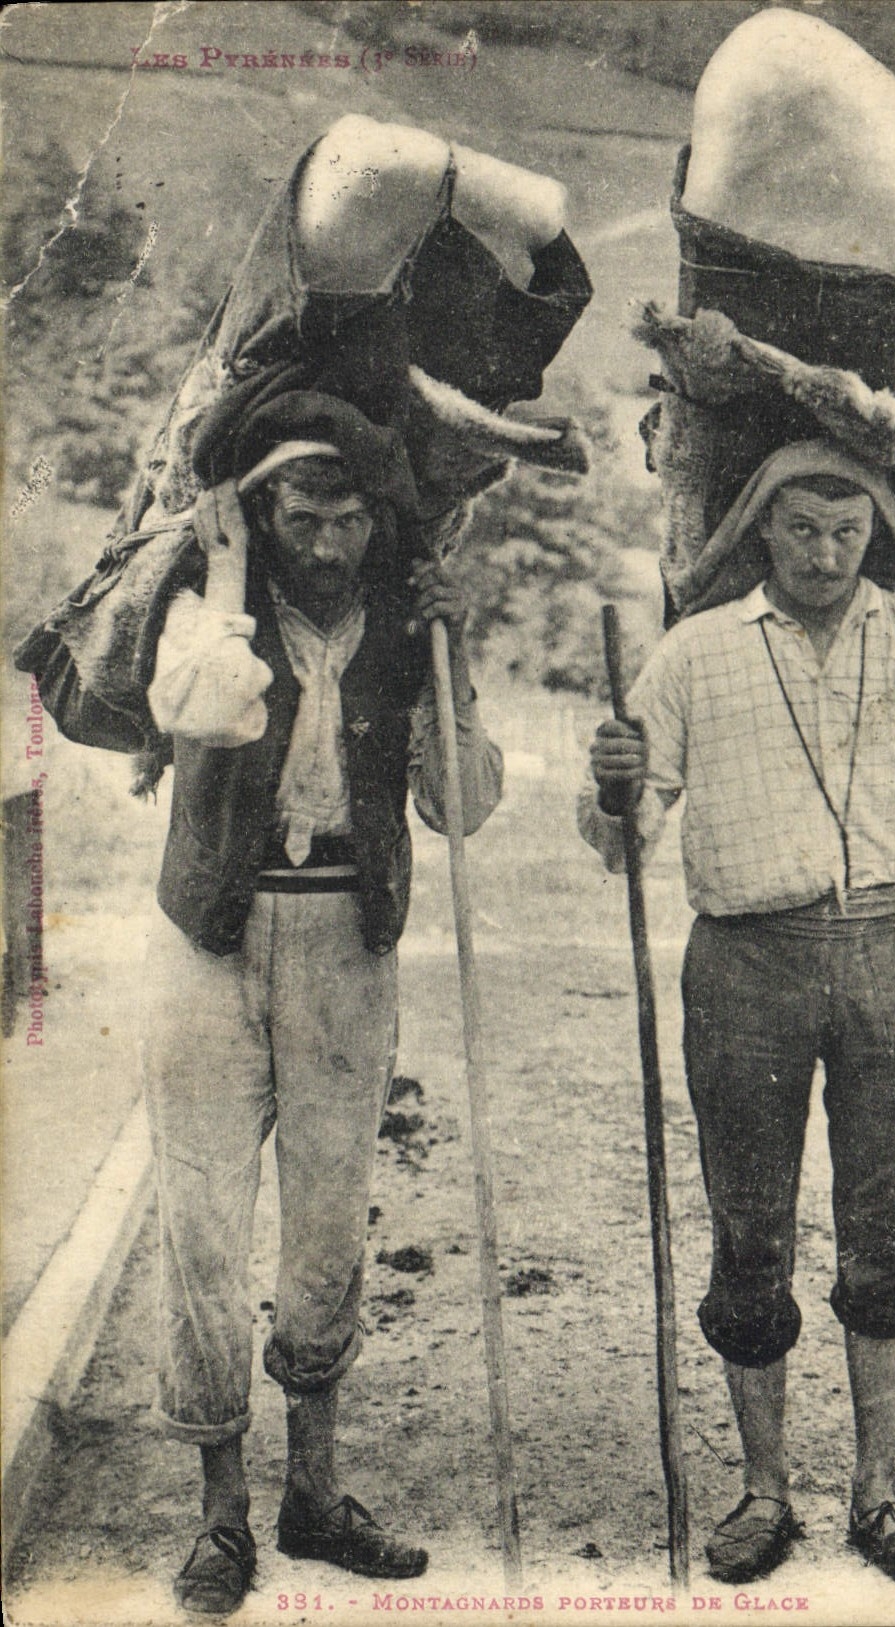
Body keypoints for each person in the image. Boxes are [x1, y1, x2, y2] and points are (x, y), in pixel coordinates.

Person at [579, 441, 895, 1592]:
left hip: (891, 953)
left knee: (883, 1234)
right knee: (748, 1227)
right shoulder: (691, 654)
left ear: (875, 534)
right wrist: (610, 783)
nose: (824, 554)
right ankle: (763, 1491)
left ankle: (876, 1495)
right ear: (759, 530)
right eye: (801, 529)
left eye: (847, 532)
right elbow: (627, 839)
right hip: (743, 964)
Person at [133, 390, 502, 1613]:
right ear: (261, 510)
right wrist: (232, 578)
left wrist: (462, 656)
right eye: (302, 514)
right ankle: (218, 1514)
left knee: (331, 1220)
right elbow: (201, 707)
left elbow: (462, 803)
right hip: (211, 944)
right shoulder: (207, 611)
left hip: (348, 934)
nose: (328, 542)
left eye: (348, 517)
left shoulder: (408, 620)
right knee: (199, 1216)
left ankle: (316, 1491)